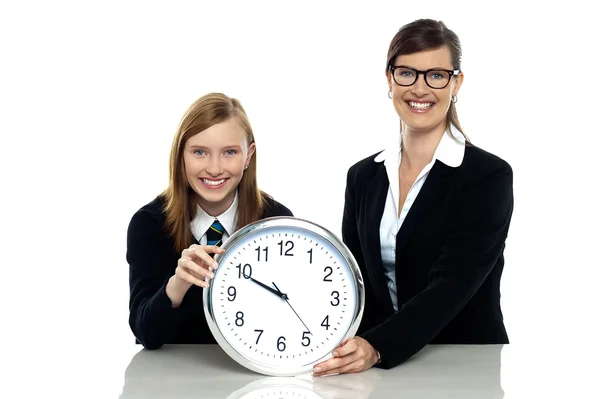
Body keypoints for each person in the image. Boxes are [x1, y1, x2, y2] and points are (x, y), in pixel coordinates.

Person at [313, 19, 514, 376]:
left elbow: (453, 283)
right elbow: (355, 281)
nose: (420, 89)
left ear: (456, 83)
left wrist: (377, 346)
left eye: (436, 75)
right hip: (377, 369)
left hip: (463, 365)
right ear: (389, 80)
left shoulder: (487, 177)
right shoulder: (362, 176)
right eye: (407, 73)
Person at [127, 93, 293, 349]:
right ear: (181, 155)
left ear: (248, 156)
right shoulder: (149, 225)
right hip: (170, 381)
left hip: (252, 378)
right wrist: (178, 283)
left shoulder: (276, 222)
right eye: (199, 152)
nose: (214, 168)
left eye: (229, 152)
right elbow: (146, 333)